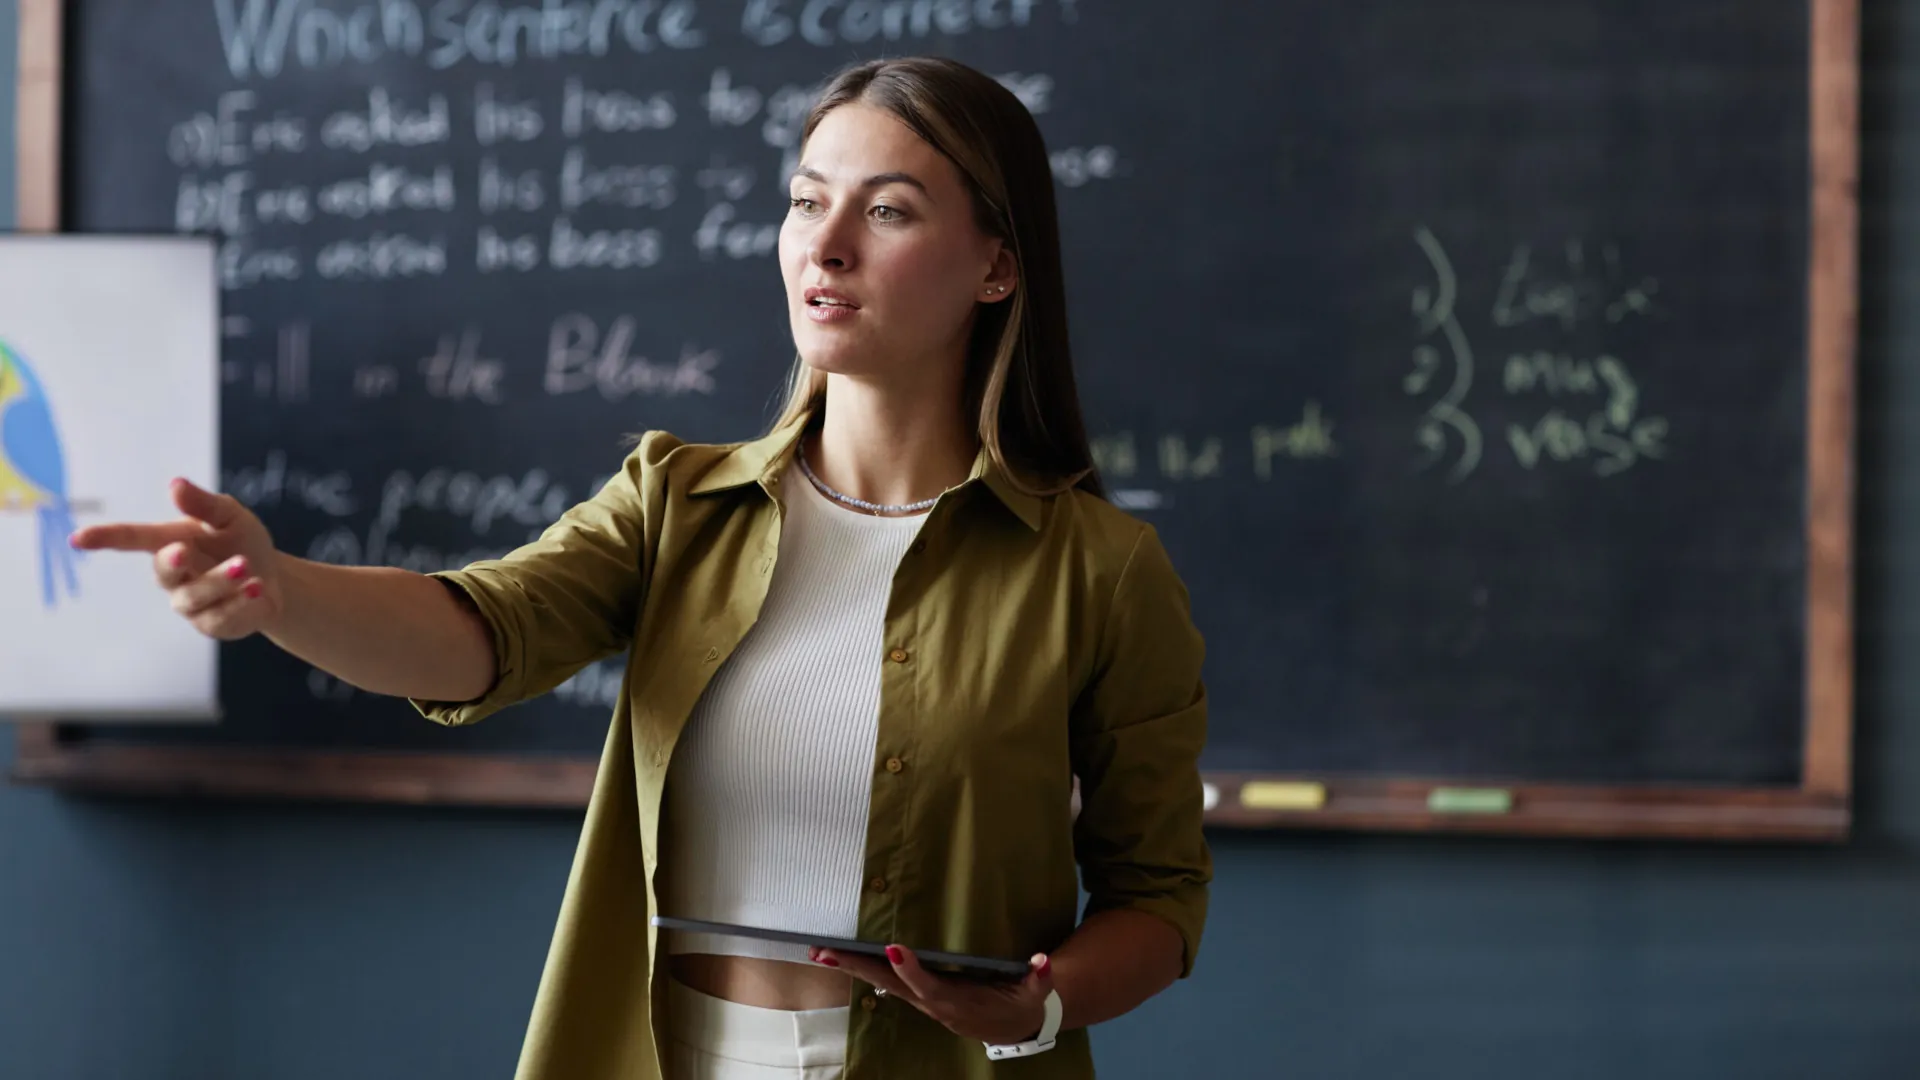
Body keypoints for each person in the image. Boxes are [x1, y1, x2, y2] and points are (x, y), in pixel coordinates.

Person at [72, 55, 1211, 1080]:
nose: (827, 243)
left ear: (997, 270)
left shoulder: (1099, 573)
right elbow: (478, 632)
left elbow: (1156, 900)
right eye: (808, 201)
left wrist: (1040, 1003)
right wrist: (282, 588)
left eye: (891, 210)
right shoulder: (678, 503)